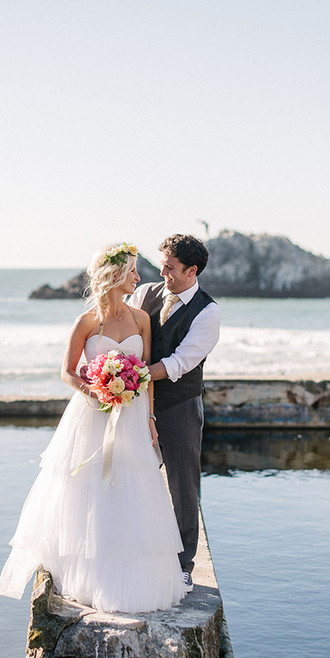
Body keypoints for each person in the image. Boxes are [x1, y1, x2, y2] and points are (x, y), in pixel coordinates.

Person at [0, 242, 187, 613]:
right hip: (91, 414)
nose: (138, 277)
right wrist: (94, 388)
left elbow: (146, 374)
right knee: (90, 489)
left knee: (131, 488)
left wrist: (149, 419)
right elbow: (67, 371)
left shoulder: (141, 319)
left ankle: (130, 575)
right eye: (132, 271)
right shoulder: (86, 321)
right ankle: (89, 572)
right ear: (115, 276)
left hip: (130, 416)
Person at [128, 234, 220, 591]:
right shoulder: (145, 294)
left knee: (183, 486)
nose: (162, 271)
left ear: (191, 270)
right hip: (138, 404)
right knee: (134, 476)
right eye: (162, 263)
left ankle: (183, 563)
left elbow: (181, 362)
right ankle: (137, 551)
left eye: (170, 267)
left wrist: (129, 377)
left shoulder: (208, 312)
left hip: (180, 405)